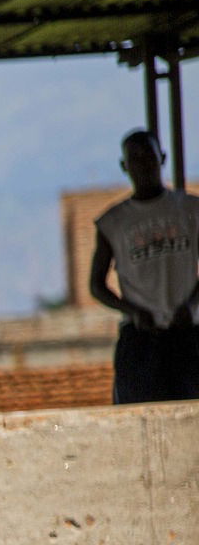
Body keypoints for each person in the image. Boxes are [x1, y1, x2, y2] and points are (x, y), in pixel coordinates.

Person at [88, 129, 199, 404]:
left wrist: (192, 304)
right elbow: (96, 285)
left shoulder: (189, 210)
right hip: (141, 340)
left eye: (148, 156)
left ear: (161, 158)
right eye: (135, 158)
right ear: (124, 166)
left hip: (186, 333)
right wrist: (133, 311)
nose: (143, 164)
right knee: (137, 414)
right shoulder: (113, 222)